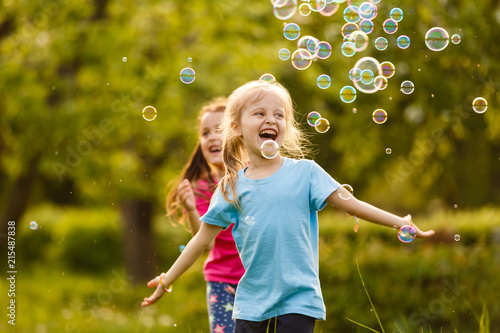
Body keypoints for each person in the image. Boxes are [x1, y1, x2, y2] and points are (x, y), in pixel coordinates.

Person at [142, 80, 435, 333]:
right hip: (252, 301)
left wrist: (401, 222)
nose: (271, 119)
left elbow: (354, 206)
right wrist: (167, 279)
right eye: (260, 113)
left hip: (299, 297)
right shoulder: (231, 187)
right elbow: (200, 241)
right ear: (236, 127)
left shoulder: (306, 173)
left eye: (279, 115)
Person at [164, 97, 245, 333]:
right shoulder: (201, 187)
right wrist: (190, 208)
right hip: (222, 280)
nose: (211, 137)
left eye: (218, 130)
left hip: (259, 277)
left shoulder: (255, 176)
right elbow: (207, 242)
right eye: (205, 132)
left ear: (237, 133)